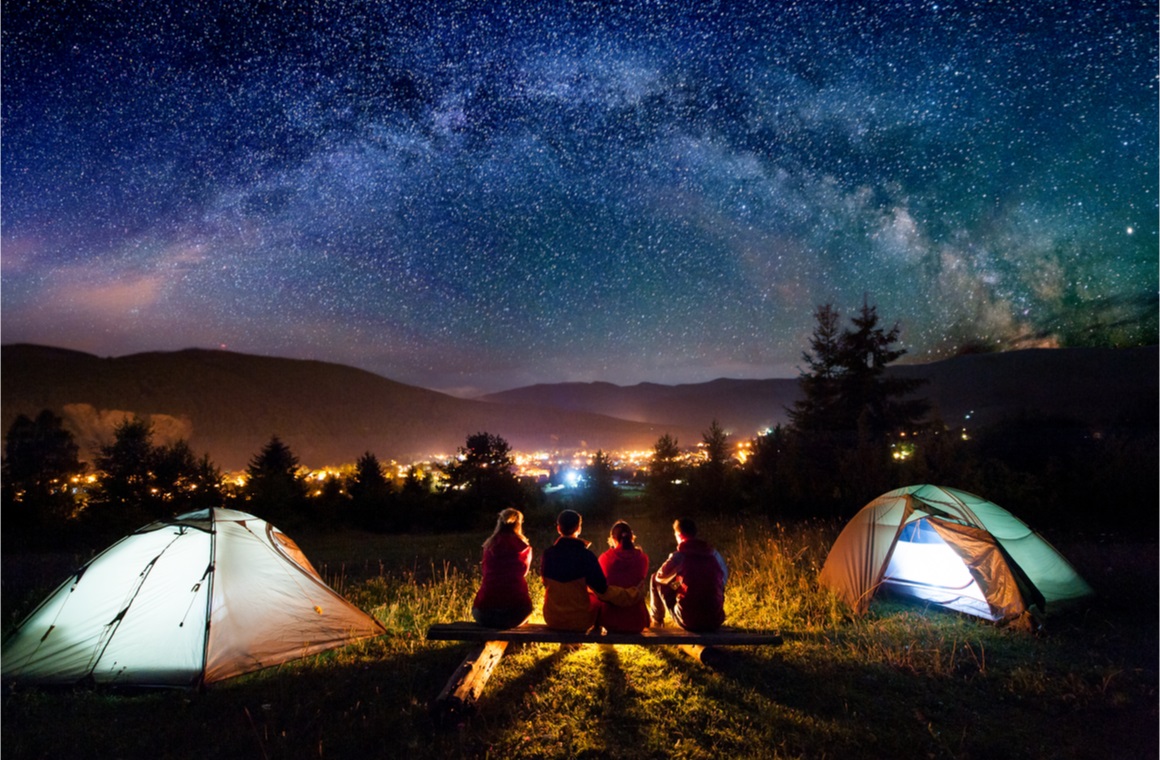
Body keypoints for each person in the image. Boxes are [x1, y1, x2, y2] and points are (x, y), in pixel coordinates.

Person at [540, 509, 638, 631]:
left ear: (558, 528)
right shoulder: (586, 556)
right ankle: (595, 634)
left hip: (552, 618)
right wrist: (632, 594)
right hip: (580, 620)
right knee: (596, 600)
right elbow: (602, 589)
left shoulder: (547, 554)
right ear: (579, 529)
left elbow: (545, 582)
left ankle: (569, 644)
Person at [649, 517, 727, 632]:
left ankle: (657, 621)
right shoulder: (714, 555)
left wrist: (675, 583)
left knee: (654, 578)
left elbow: (660, 577)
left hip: (689, 620)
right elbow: (723, 580)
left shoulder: (680, 556)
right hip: (715, 620)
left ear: (679, 535)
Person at [471, 508, 534, 628]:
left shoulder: (489, 546)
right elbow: (524, 572)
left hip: (485, 613)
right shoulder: (524, 548)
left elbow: (485, 571)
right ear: (518, 524)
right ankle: (520, 643)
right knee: (526, 607)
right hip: (515, 613)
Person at [597, 520, 650, 634]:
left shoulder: (605, 558)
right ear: (632, 537)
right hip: (637, 621)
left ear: (613, 538)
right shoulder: (643, 558)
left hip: (610, 621)